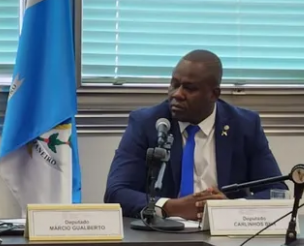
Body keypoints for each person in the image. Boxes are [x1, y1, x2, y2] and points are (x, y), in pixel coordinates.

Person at [104, 49, 285, 220]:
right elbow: (116, 192)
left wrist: (229, 207)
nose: (177, 94)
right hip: (163, 232)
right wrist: (170, 207)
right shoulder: (147, 123)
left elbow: (277, 192)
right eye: (174, 85)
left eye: (189, 88)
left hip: (224, 233)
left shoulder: (244, 125)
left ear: (214, 94)